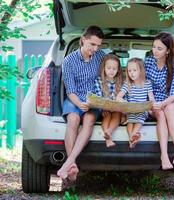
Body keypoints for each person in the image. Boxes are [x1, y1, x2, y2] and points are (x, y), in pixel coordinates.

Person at [57, 26, 105, 182]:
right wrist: (80, 104)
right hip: (75, 98)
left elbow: (110, 76)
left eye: (98, 45)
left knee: (89, 120)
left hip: (94, 99)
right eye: (92, 44)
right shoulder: (69, 61)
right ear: (83, 40)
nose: (95, 48)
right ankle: (72, 164)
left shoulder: (100, 56)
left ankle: (69, 163)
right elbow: (70, 90)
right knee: (73, 119)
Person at [145, 32, 174, 170]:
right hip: (152, 100)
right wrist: (153, 102)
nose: (155, 51)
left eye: (159, 48)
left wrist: (162, 103)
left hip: (169, 100)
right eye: (154, 47)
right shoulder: (148, 61)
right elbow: (145, 84)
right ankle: (164, 156)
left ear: (167, 51)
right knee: (160, 114)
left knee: (167, 110)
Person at [116, 58, 155, 148]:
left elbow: (151, 98)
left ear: (141, 71)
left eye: (134, 70)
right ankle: (132, 138)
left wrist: (151, 109)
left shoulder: (147, 83)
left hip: (142, 110)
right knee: (130, 121)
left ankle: (133, 135)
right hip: (131, 109)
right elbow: (118, 97)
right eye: (129, 71)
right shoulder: (127, 84)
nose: (131, 73)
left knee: (140, 119)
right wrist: (127, 104)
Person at [93, 54, 123, 148]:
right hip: (104, 107)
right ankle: (108, 138)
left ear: (118, 70)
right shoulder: (99, 81)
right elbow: (98, 96)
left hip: (117, 108)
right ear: (104, 68)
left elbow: (123, 97)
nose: (111, 71)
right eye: (109, 68)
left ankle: (108, 131)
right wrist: (103, 107)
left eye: (114, 68)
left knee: (117, 114)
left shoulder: (120, 81)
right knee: (107, 115)